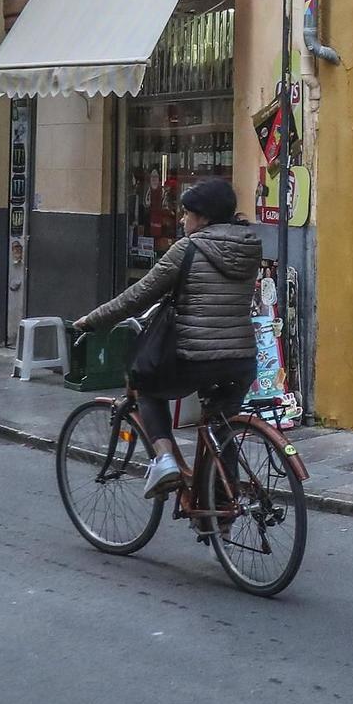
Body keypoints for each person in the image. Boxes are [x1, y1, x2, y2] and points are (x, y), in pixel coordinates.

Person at [74, 178, 262, 501]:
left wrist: (91, 321)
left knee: (144, 383)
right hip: (241, 360)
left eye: (187, 214)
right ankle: (220, 512)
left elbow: (138, 296)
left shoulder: (188, 249)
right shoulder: (248, 247)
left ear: (203, 218)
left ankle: (163, 460)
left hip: (197, 358)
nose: (183, 220)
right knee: (223, 426)